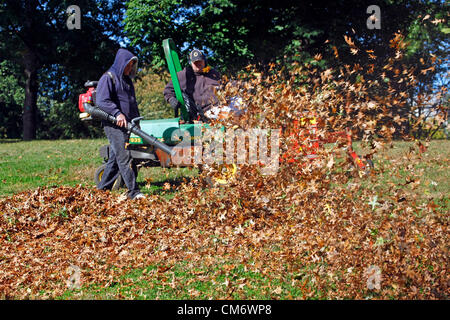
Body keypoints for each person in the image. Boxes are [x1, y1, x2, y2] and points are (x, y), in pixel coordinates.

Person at [95, 48, 145, 200]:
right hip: (114, 124)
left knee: (115, 159)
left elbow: (131, 104)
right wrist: (117, 113)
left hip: (128, 125)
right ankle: (134, 192)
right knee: (124, 156)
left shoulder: (127, 80)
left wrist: (137, 122)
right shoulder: (108, 78)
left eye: (132, 66)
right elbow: (102, 101)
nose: (130, 68)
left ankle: (102, 190)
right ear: (121, 63)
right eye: (128, 65)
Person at [164, 49, 221, 120]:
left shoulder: (214, 73)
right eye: (195, 62)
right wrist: (171, 99)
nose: (198, 64)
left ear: (204, 61)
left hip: (218, 110)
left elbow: (224, 88)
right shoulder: (184, 75)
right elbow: (168, 90)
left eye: (200, 61)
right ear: (191, 63)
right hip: (199, 115)